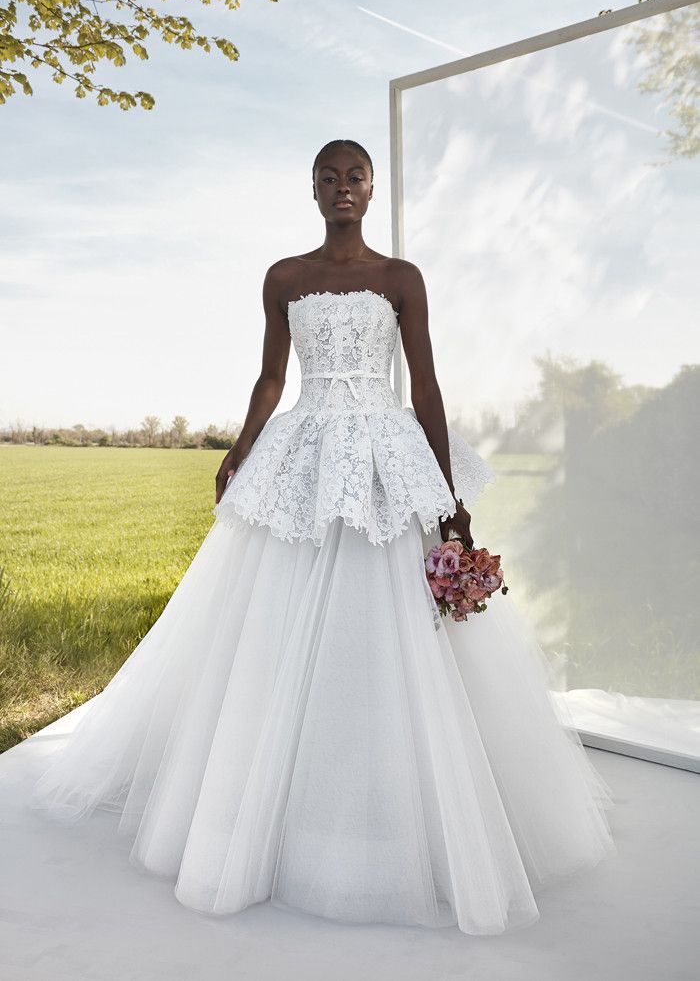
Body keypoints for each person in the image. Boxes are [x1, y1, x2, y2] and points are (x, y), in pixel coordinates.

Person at [29, 138, 616, 937]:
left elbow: (427, 380)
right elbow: (273, 378)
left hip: (385, 445)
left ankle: (402, 819)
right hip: (306, 444)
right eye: (329, 178)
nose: (343, 188)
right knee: (276, 626)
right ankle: (277, 812)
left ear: (372, 191)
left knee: (394, 630)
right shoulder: (285, 277)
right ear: (313, 190)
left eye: (356, 178)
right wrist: (239, 450)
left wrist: (446, 494)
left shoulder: (401, 279)